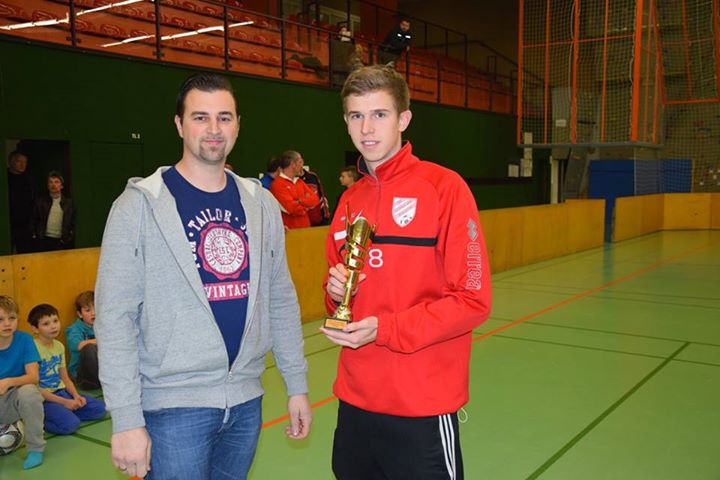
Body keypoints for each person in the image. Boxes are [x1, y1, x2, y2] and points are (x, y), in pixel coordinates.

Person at [95, 73, 311, 480]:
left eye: (224, 117)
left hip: (246, 400)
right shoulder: (137, 207)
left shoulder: (261, 204)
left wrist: (296, 384)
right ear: (179, 124)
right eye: (200, 117)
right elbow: (114, 316)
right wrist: (125, 418)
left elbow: (280, 299)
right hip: (172, 408)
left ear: (238, 125)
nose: (214, 129)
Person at [321, 64, 492, 480]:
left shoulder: (444, 188)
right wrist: (335, 291)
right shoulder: (349, 201)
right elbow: (338, 296)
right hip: (355, 402)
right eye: (356, 116)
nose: (367, 129)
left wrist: (385, 329)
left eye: (379, 114)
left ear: (404, 119)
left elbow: (472, 301)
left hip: (421, 406)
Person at [29, 303, 106, 435]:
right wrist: (65, 402)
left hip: (62, 392)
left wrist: (76, 396)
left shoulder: (59, 346)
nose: (53, 326)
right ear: (35, 329)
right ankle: (38, 418)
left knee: (100, 409)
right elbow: (35, 388)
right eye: (46, 324)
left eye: (55, 321)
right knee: (70, 425)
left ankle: (65, 412)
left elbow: (65, 378)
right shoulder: (32, 348)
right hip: (45, 399)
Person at [0, 295, 45, 470]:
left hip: (13, 398)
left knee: (30, 392)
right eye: (0, 319)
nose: (7, 324)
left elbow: (34, 377)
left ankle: (36, 449)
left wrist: (9, 381)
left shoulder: (25, 340)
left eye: (11, 318)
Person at [269, 150, 320, 229]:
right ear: (293, 164)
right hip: (291, 232)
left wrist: (299, 201)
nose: (302, 166)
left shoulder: (300, 182)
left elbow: (315, 200)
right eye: (300, 162)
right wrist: (306, 206)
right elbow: (291, 208)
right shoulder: (277, 184)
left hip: (306, 229)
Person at [32, 170, 76, 251]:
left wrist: (68, 236)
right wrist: (35, 234)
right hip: (44, 240)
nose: (53, 185)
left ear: (61, 186)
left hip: (61, 241)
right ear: (48, 185)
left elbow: (72, 221)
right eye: (51, 182)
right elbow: (34, 219)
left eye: (56, 182)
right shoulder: (40, 202)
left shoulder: (68, 203)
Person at [65, 291, 100, 390]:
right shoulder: (74, 329)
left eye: (96, 308)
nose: (93, 313)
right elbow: (78, 345)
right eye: (88, 310)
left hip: (102, 371)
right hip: (82, 375)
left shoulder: (103, 326)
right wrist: (101, 340)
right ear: (80, 314)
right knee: (89, 349)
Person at [6, 151, 35, 253]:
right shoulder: (5, 178)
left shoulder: (29, 179)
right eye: (19, 161)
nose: (23, 165)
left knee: (24, 253)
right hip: (8, 223)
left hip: (25, 225)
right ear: (11, 162)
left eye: (25, 162)